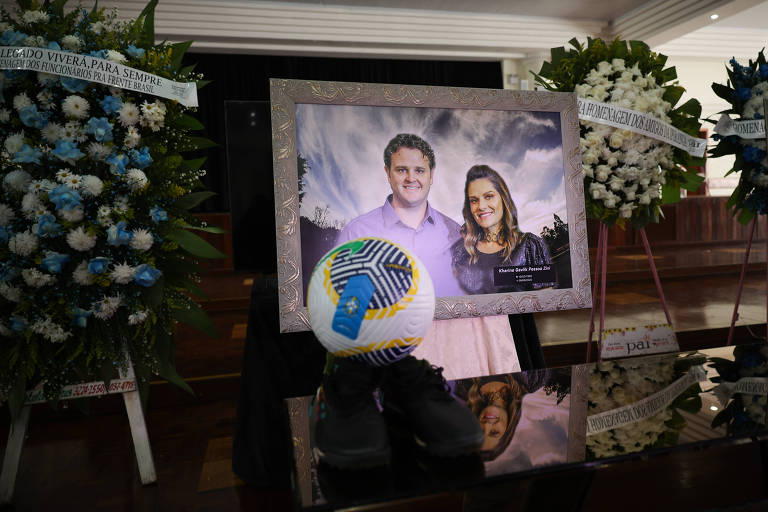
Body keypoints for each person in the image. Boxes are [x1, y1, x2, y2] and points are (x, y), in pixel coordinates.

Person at [336, 133, 464, 297]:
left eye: (419, 170)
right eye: (402, 170)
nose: (411, 178)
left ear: (431, 175)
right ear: (388, 173)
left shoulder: (455, 234)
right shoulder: (356, 233)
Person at [452, 164, 553, 295]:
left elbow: (547, 303)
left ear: (503, 198)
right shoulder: (460, 253)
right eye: (474, 200)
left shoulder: (530, 246)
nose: (481, 206)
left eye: (489, 196)